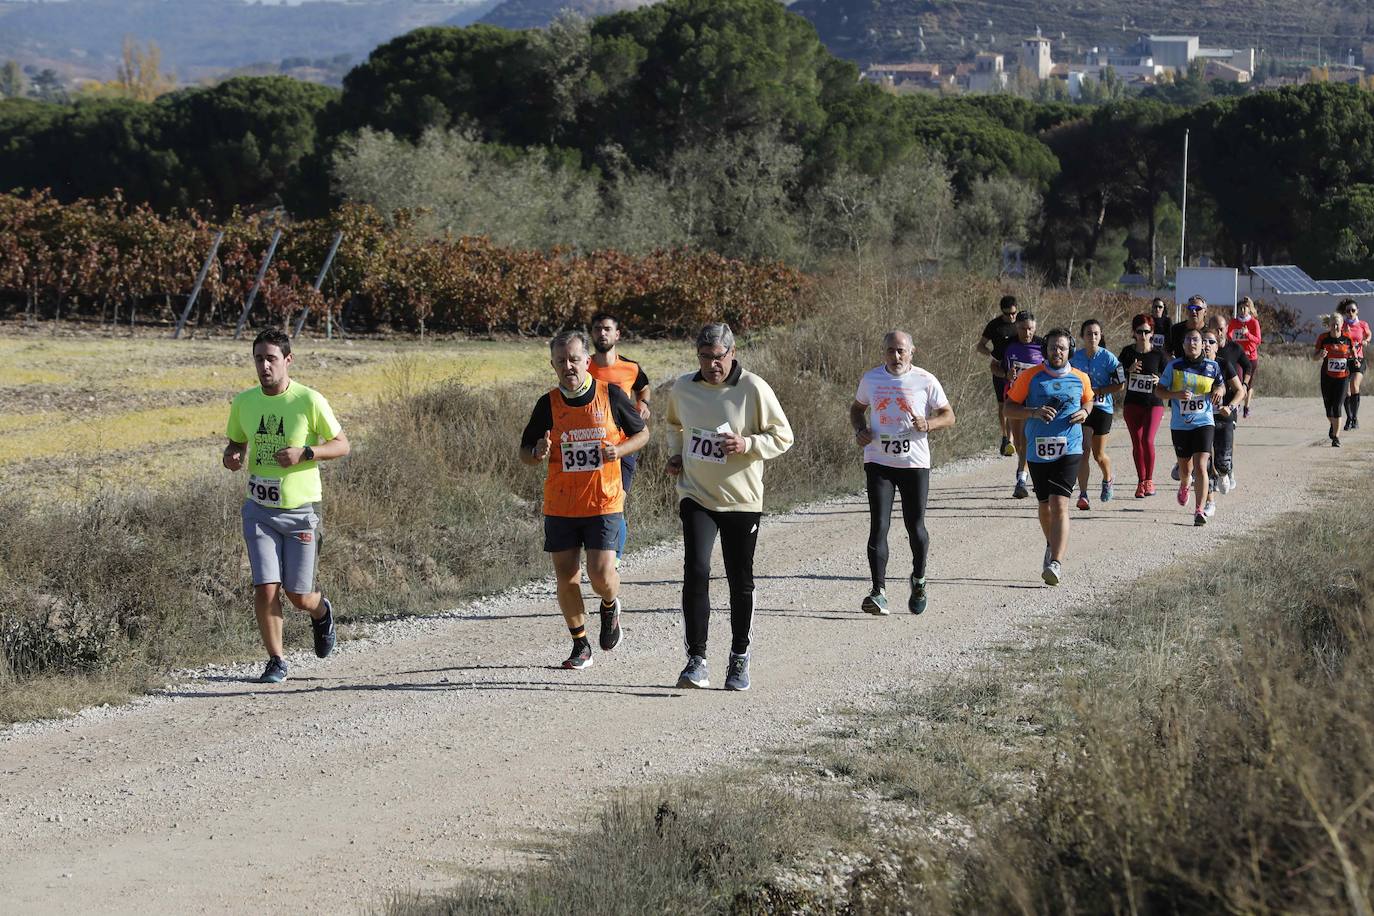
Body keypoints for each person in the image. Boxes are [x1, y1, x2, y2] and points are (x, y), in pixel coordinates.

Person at [665, 323, 793, 691]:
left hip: (742, 499)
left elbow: (783, 435)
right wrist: (676, 453)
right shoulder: (684, 388)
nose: (711, 365)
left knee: (740, 579)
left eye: (717, 358)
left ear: (732, 353)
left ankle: (739, 657)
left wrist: (748, 444)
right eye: (704, 358)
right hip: (697, 494)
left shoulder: (752, 388)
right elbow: (674, 424)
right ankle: (697, 660)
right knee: (697, 569)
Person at [223, 329, 351, 684]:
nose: (264, 366)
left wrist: (306, 453)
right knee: (265, 586)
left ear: (287, 360)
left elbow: (342, 445)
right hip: (258, 510)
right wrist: (232, 456)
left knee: (299, 595)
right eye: (258, 359)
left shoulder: (308, 401)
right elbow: (236, 443)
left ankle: (322, 612)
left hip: (301, 512)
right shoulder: (244, 402)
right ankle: (276, 660)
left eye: (271, 358)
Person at [519, 330, 649, 670]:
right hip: (561, 503)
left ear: (587, 361)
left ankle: (609, 604)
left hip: (604, 500)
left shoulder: (611, 395)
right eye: (561, 361)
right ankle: (580, 644)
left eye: (574, 359)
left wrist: (618, 450)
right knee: (566, 576)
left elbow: (643, 433)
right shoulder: (546, 403)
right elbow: (525, 453)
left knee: (600, 574)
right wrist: (537, 452)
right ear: (553, 365)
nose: (568, 367)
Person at [850, 330, 956, 616]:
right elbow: (857, 409)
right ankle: (878, 592)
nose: (896, 357)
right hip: (878, 461)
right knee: (879, 526)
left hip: (913, 464)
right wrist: (860, 430)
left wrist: (928, 424)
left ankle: (919, 579)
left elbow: (949, 415)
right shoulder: (871, 379)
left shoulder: (925, 379)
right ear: (883, 352)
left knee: (915, 527)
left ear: (912, 351)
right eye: (890, 351)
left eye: (901, 351)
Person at [1003, 328, 1093, 586]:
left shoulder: (1080, 378)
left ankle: (1056, 562)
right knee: (1044, 506)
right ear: (1046, 350)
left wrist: (1085, 412)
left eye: (1062, 348)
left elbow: (1089, 400)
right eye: (1053, 347)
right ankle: (1050, 543)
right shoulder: (1030, 377)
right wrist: (1033, 412)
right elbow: (1010, 408)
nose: (1057, 352)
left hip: (1070, 447)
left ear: (1070, 351)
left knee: (1060, 504)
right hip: (1038, 449)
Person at [1156, 328, 1243, 526]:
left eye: (1196, 340)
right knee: (1186, 470)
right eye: (1188, 340)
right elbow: (1159, 391)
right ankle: (1185, 485)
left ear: (1201, 344)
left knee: (1201, 465)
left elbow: (1220, 385)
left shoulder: (1212, 366)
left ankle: (1199, 510)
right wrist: (1175, 395)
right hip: (1180, 425)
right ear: (1184, 345)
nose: (1192, 343)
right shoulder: (1174, 366)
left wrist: (1219, 392)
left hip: (1204, 421)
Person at [587, 312, 653, 562]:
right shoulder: (583, 366)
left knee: (616, 503)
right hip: (590, 446)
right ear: (591, 334)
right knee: (593, 506)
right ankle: (598, 552)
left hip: (624, 444)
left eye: (606, 329)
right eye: (596, 329)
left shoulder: (630, 367)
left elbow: (643, 387)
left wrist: (643, 403)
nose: (601, 333)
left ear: (617, 335)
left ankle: (613, 560)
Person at [1069, 319, 1125, 509]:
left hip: (1102, 408)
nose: (1092, 337)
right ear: (1082, 336)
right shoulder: (1074, 359)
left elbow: (1120, 384)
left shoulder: (1109, 358)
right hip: (1082, 408)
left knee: (1098, 454)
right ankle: (1083, 494)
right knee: (1083, 451)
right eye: (1088, 334)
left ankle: (1108, 478)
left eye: (1096, 334)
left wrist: (1099, 391)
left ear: (1100, 336)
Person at [1118, 314, 1168, 498]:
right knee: (1137, 444)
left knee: (1147, 440)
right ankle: (1141, 481)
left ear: (1152, 333)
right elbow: (1115, 376)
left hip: (1154, 403)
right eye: (1139, 331)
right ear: (1134, 332)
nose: (1143, 335)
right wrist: (1127, 370)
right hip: (1132, 404)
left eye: (1147, 331)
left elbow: (1172, 377)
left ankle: (1149, 480)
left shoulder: (1159, 354)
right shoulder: (1127, 353)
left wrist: (1161, 380)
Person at [997, 311, 1045, 499]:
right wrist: (1005, 375)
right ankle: (1024, 477)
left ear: (1035, 328)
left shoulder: (1043, 345)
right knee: (1019, 443)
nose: (1027, 333)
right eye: (1023, 329)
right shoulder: (1007, 344)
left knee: (1035, 441)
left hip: (1037, 400)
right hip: (1016, 399)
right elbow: (994, 365)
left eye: (1031, 329)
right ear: (1017, 327)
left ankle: (1022, 480)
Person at [1199, 329, 1244, 516]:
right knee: (1204, 462)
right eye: (1204, 341)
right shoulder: (1192, 366)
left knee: (1222, 462)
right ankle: (1209, 502)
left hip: (1223, 417)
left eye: (1211, 342)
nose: (1206, 344)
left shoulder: (1224, 365)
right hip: (1201, 419)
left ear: (1217, 347)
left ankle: (1225, 473)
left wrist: (1231, 407)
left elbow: (1240, 391)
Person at [1206, 314, 1251, 497]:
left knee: (1225, 440)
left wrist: (1245, 385)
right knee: (1206, 447)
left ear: (1226, 329)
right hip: (1207, 408)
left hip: (1229, 403)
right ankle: (1211, 477)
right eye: (1214, 329)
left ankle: (1226, 467)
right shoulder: (1202, 350)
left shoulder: (1234, 348)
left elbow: (1248, 366)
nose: (1218, 332)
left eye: (1221, 329)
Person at [975, 295, 1021, 457]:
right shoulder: (994, 325)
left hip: (1020, 371)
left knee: (1018, 403)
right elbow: (980, 346)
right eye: (1008, 314)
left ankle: (1016, 437)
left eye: (1014, 313)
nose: (1011, 317)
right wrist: (992, 355)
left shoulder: (1021, 322)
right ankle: (1006, 438)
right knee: (1003, 405)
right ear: (1002, 312)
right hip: (1000, 370)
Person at [1314, 312, 1353, 447]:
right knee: (1328, 409)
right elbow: (1314, 357)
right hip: (1327, 377)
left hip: (1343, 377)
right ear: (1329, 325)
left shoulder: (1347, 338)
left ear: (1342, 325)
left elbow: (1352, 355)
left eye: (1338, 324)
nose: (1335, 327)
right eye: (1333, 324)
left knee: (1337, 406)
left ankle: (1336, 437)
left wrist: (1356, 362)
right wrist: (1320, 354)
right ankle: (1333, 424)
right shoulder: (1323, 338)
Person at [1226, 297, 1262, 418]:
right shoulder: (1234, 322)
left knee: (1249, 385)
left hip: (1251, 357)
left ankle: (1246, 406)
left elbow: (1258, 340)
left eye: (1244, 308)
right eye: (1240, 308)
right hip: (1238, 357)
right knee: (1239, 381)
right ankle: (1237, 403)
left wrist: (1247, 334)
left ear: (1249, 309)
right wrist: (1230, 337)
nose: (1242, 310)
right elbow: (1229, 335)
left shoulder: (1253, 322)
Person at [1338, 299, 1370, 430]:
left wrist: (1366, 341)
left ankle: (1355, 418)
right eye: (1347, 311)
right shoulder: (1342, 325)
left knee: (1354, 385)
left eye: (1353, 310)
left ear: (1357, 311)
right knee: (1346, 390)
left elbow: (1368, 335)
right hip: (1345, 360)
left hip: (1358, 359)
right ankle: (1349, 417)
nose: (1350, 313)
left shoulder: (1362, 324)